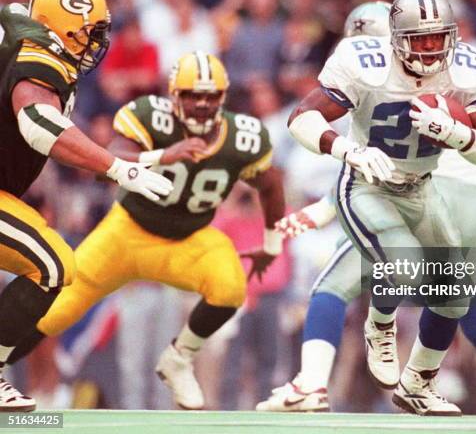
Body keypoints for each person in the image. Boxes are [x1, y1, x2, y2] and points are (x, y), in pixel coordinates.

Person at [257, 0, 476, 416]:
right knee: (391, 267)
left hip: (426, 189)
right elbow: (304, 118)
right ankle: (367, 338)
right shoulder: (362, 63)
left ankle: (417, 383)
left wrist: (458, 135)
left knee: (453, 293)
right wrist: (348, 153)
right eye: (417, 40)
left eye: (435, 39)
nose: (428, 51)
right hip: (369, 186)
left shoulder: (465, 69)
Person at [7, 52, 285, 410]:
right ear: (173, 95)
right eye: (190, 95)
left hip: (189, 241)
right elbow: (107, 162)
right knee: (51, 313)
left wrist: (272, 244)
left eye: (210, 96)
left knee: (231, 287)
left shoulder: (244, 137)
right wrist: (164, 155)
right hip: (127, 234)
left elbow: (271, 187)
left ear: (223, 97)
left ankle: (178, 359)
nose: (201, 104)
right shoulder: (151, 117)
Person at [0, 0, 172, 411]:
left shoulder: (31, 39)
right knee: (52, 264)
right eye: (90, 30)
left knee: (56, 264)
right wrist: (116, 168)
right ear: (63, 24)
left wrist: (114, 160)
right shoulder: (40, 60)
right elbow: (39, 125)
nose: (96, 41)